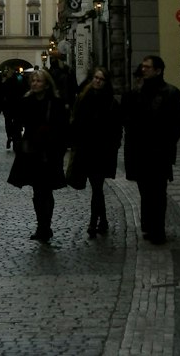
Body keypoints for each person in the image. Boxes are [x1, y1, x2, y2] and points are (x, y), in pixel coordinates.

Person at [121, 54, 180, 245]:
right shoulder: (136, 94)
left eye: (148, 67)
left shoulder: (171, 93)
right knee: (145, 190)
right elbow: (127, 119)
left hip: (159, 151)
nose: (144, 69)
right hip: (140, 151)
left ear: (158, 70)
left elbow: (178, 123)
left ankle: (158, 229)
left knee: (158, 190)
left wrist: (167, 142)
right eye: (143, 66)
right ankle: (149, 225)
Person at [7, 67, 68, 243]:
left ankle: (45, 226)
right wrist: (17, 141)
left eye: (38, 80)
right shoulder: (26, 101)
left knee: (46, 190)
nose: (35, 83)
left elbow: (63, 128)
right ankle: (41, 225)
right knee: (37, 190)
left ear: (47, 84)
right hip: (31, 151)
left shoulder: (55, 103)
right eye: (33, 80)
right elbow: (16, 122)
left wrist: (59, 148)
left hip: (49, 151)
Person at [69, 67, 122, 237]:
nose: (97, 81)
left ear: (106, 82)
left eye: (101, 79)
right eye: (95, 78)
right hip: (86, 149)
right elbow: (75, 122)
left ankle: (94, 222)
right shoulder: (83, 98)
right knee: (96, 187)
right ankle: (103, 220)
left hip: (103, 150)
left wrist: (114, 146)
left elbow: (116, 128)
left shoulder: (111, 102)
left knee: (97, 187)